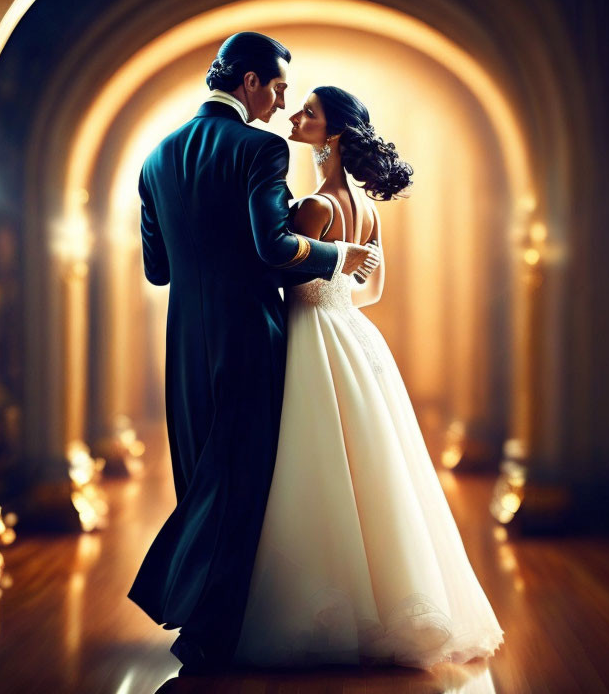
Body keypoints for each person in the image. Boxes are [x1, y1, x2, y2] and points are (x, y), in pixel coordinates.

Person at [127, 36, 381, 673]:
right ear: (248, 82)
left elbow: (157, 269)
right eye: (277, 89)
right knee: (241, 482)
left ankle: (205, 617)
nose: (282, 103)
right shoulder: (260, 148)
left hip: (184, 342)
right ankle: (205, 626)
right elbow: (274, 249)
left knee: (200, 478)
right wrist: (338, 256)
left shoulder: (155, 156)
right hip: (248, 333)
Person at [233, 87, 505, 668]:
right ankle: (390, 603)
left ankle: (330, 606)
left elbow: (279, 276)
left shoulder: (315, 207)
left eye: (308, 112)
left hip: (312, 333)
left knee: (316, 462)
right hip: (353, 334)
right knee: (369, 466)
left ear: (331, 135)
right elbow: (372, 291)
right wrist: (339, 292)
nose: (295, 116)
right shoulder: (366, 208)